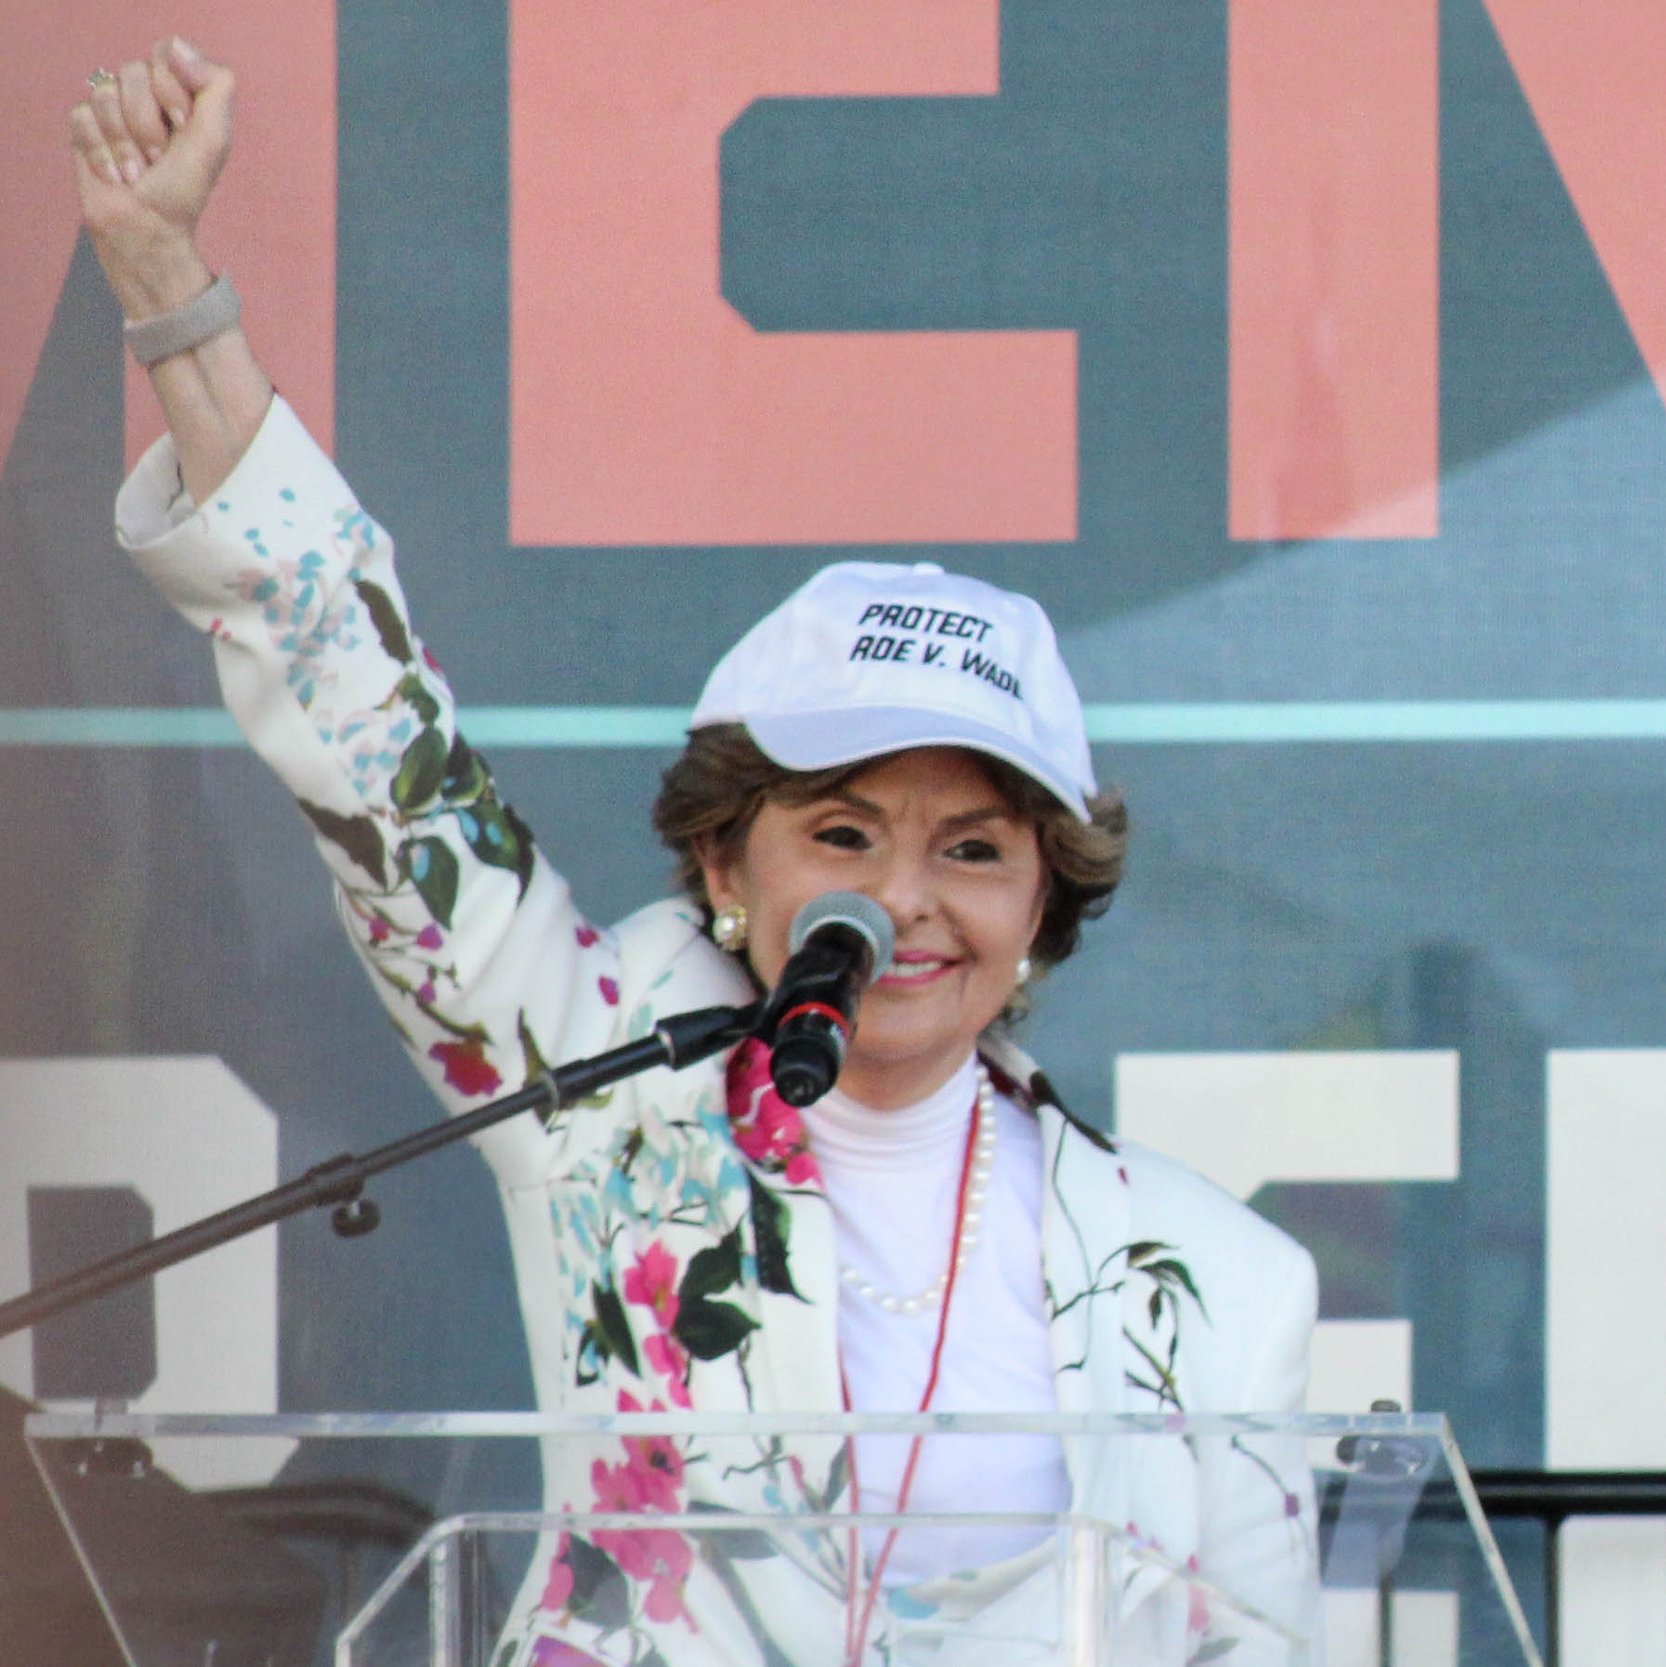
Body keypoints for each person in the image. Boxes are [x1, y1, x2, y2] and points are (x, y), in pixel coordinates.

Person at [72, 41, 1317, 1666]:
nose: (908, 898)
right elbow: (377, 749)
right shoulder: (600, 1098)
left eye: (977, 846)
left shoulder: (1227, 1282)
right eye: (845, 830)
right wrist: (172, 290)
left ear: (1045, 911)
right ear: (727, 863)